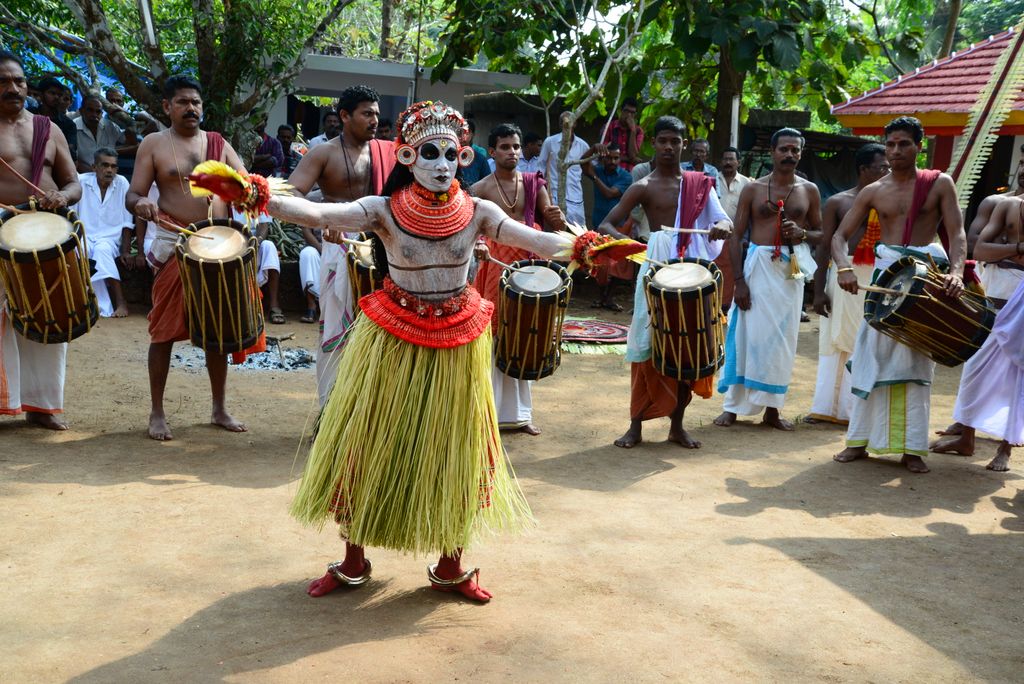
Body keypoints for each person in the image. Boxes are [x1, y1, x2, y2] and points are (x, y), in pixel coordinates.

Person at [202, 100, 586, 602]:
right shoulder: (382, 210)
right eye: (429, 152)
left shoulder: (480, 213)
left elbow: (536, 240)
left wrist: (587, 248)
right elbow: (318, 211)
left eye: (451, 154)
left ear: (464, 157)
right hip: (392, 337)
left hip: (457, 340)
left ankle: (452, 564)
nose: (441, 163)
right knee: (365, 441)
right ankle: (353, 560)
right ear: (406, 156)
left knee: (457, 450)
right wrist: (255, 194)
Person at [831, 116, 966, 474]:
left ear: (919, 146)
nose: (895, 151)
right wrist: (844, 268)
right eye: (890, 144)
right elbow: (839, 238)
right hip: (887, 277)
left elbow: (957, 234)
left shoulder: (939, 184)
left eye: (904, 144)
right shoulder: (874, 190)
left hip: (926, 279)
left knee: (917, 359)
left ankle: (912, 449)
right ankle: (858, 442)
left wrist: (955, 273)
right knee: (870, 355)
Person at [125, 74, 250, 441]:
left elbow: (247, 186)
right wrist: (142, 203)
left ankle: (219, 407)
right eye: (182, 102)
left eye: (195, 102)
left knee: (218, 329)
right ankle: (157, 412)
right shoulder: (154, 144)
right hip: (174, 241)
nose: (191, 108)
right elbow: (132, 195)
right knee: (162, 331)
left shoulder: (218, 144)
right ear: (167, 107)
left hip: (218, 246)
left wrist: (251, 195)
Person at [599, 116, 732, 449]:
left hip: (692, 272)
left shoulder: (701, 183)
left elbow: (723, 219)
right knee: (645, 344)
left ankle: (677, 426)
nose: (669, 147)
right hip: (655, 269)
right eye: (663, 141)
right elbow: (607, 224)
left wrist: (723, 227)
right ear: (653, 144)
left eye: (675, 141)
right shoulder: (642, 186)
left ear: (683, 145)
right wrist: (638, 247)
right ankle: (635, 426)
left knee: (687, 345)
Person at [286, 85, 394, 406]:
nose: (374, 120)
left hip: (381, 250)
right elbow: (290, 194)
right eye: (366, 113)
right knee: (334, 330)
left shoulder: (387, 153)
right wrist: (323, 221)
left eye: (376, 113)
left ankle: (366, 413)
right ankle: (329, 412)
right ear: (344, 116)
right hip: (338, 248)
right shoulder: (324, 153)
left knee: (380, 330)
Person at [714, 128, 822, 430]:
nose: (789, 155)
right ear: (772, 152)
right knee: (746, 334)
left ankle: (772, 410)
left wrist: (803, 234)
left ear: (801, 154)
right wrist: (739, 282)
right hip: (757, 268)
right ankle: (732, 407)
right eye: (784, 149)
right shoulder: (754, 188)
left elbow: (822, 233)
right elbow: (735, 237)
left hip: (791, 271)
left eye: (795, 150)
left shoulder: (808, 190)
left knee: (783, 340)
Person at [0, 51, 82, 429]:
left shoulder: (50, 129)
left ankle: (42, 407)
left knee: (46, 314)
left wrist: (62, 197)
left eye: (18, 81)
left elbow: (74, 182)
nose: (13, 88)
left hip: (46, 229)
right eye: (3, 81)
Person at [472, 123, 565, 436]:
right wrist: (480, 245)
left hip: (529, 264)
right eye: (504, 147)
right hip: (494, 266)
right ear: (492, 151)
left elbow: (552, 224)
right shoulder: (481, 189)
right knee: (496, 338)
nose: (511, 152)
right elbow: (471, 231)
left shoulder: (534, 183)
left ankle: (520, 415)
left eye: (515, 146)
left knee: (524, 334)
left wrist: (558, 219)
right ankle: (489, 414)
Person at [929, 194, 1024, 471]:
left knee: (1018, 377)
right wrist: (1018, 247)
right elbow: (979, 250)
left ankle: (1005, 450)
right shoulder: (1008, 206)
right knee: (974, 368)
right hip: (997, 296)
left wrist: (1007, 250)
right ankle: (966, 438)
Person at [806, 143, 889, 424]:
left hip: (879, 275)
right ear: (864, 169)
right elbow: (825, 247)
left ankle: (859, 412)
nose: (888, 172)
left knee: (869, 340)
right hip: (844, 273)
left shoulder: (892, 202)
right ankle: (828, 408)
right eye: (882, 167)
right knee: (836, 339)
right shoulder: (839, 202)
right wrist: (817, 292)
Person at [72, 147, 140, 318]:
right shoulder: (80, 182)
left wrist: (125, 250)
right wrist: (76, 243)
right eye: (105, 165)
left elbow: (126, 222)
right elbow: (72, 218)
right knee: (83, 251)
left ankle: (120, 301)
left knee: (102, 250)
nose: (110, 170)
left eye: (113, 166)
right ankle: (93, 304)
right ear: (94, 167)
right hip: (84, 237)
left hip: (110, 239)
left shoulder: (122, 183)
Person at [583, 142, 633, 310]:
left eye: (616, 158)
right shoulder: (597, 170)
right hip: (598, 225)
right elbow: (583, 163)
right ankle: (602, 298)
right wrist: (594, 148)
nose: (612, 161)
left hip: (618, 227)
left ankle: (609, 298)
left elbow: (610, 193)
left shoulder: (626, 176)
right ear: (603, 158)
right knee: (599, 265)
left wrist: (594, 178)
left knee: (618, 267)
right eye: (609, 157)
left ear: (620, 159)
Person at [538, 111, 605, 225]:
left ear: (575, 124)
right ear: (560, 125)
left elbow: (595, 163)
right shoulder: (550, 142)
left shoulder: (582, 145)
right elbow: (540, 168)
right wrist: (542, 191)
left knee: (578, 234)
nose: (566, 125)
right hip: (554, 197)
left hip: (576, 198)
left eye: (570, 122)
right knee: (556, 234)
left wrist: (598, 150)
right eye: (563, 122)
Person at [714, 146, 751, 309]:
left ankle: (726, 305)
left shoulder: (747, 183)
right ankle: (712, 302)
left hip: (737, 237)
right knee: (714, 270)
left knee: (734, 272)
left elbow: (751, 214)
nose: (728, 162)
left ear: (738, 162)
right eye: (725, 159)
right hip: (713, 235)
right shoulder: (712, 179)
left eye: (731, 159)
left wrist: (746, 238)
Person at [75, 94, 139, 173]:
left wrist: (126, 119)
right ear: (81, 111)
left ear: (102, 114)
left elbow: (134, 146)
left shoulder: (109, 126)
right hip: (84, 178)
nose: (94, 115)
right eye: (90, 110)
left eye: (98, 112)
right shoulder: (73, 128)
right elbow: (74, 162)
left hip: (109, 176)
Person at [33, 76, 78, 164]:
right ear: (41, 94)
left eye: (59, 94)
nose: (57, 97)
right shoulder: (29, 114)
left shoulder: (68, 124)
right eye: (52, 93)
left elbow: (70, 153)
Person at [603, 97, 643, 169]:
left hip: (629, 173)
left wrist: (633, 131)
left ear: (635, 114)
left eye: (632, 113)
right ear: (621, 111)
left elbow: (632, 155)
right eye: (626, 111)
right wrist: (628, 159)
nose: (629, 115)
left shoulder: (638, 131)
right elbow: (603, 154)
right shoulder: (609, 126)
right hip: (610, 171)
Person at [459, 119, 491, 185]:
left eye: (467, 133)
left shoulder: (480, 158)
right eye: (459, 133)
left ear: (473, 134)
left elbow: (487, 184)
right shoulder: (449, 156)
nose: (463, 137)